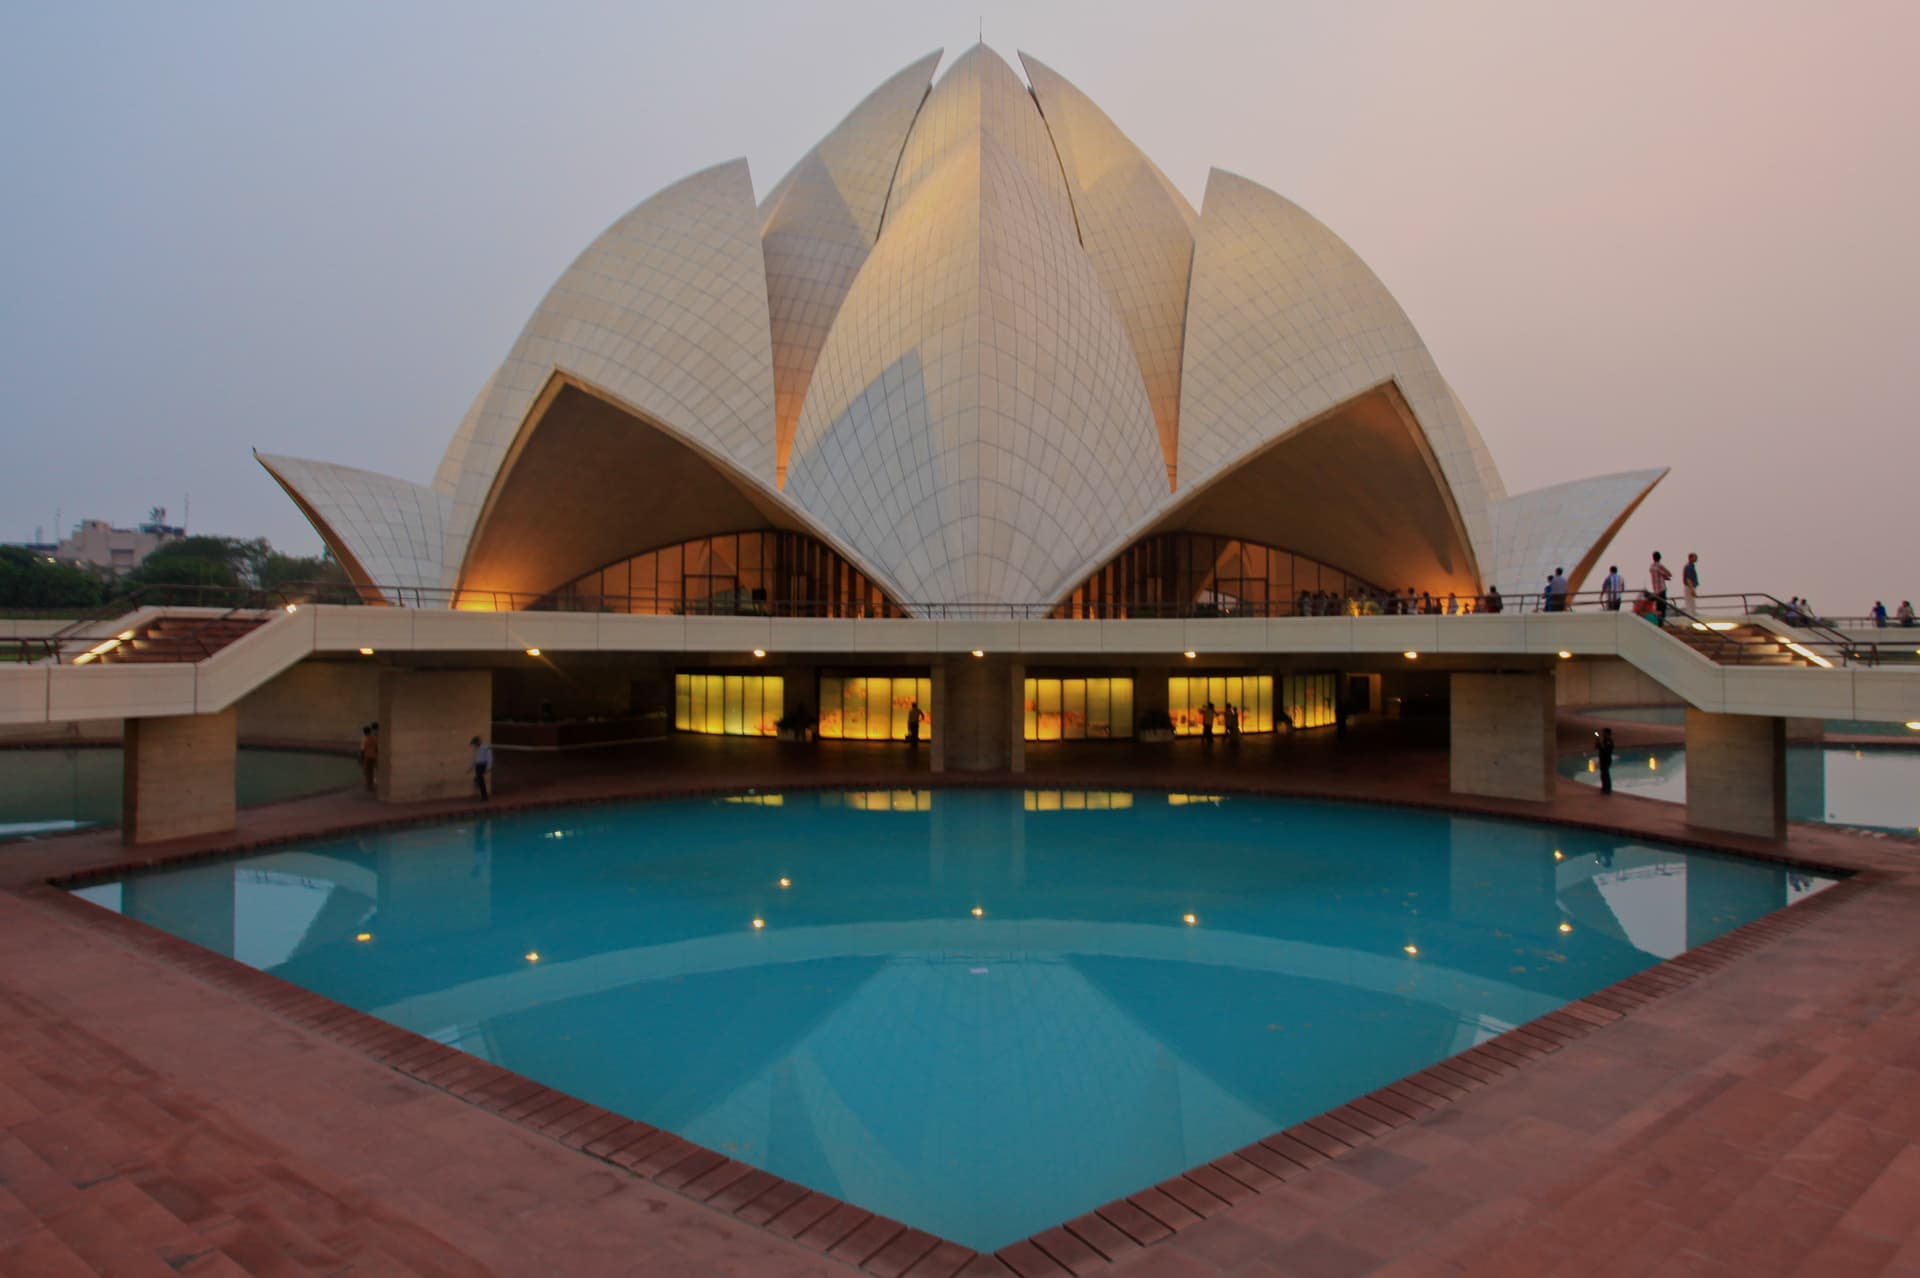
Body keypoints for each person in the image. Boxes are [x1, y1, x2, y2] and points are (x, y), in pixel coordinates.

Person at [1649, 552, 1672, 622]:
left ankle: (1658, 621)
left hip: (1655, 589)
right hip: (1661, 589)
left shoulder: (1651, 567)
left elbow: (1656, 575)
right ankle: (1661, 622)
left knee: (1657, 607)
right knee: (1662, 607)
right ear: (1660, 558)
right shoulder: (1660, 566)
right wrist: (1665, 577)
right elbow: (1669, 574)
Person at [470, 735, 492, 801]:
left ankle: (485, 796)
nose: (474, 746)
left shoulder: (486, 747)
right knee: (480, 780)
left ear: (478, 742)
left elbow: (489, 758)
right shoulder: (477, 749)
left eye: (475, 744)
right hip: (478, 766)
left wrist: (488, 767)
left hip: (483, 765)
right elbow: (476, 759)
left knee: (480, 780)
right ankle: (483, 796)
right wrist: (472, 766)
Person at [358, 723, 378, 793]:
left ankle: (368, 785)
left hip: (367, 757)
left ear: (364, 732)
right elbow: (376, 747)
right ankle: (372, 785)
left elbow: (362, 750)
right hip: (374, 756)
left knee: (367, 772)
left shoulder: (364, 739)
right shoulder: (374, 738)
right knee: (372, 771)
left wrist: (361, 758)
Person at [1595, 727, 1615, 795]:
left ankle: (1608, 789)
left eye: (1604, 733)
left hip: (1606, 760)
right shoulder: (1603, 740)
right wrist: (1598, 742)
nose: (1603, 734)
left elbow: (1606, 750)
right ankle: (1604, 787)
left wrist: (1601, 745)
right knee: (1603, 774)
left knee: (1605, 774)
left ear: (1607, 734)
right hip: (1602, 759)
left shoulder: (1609, 741)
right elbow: (1597, 747)